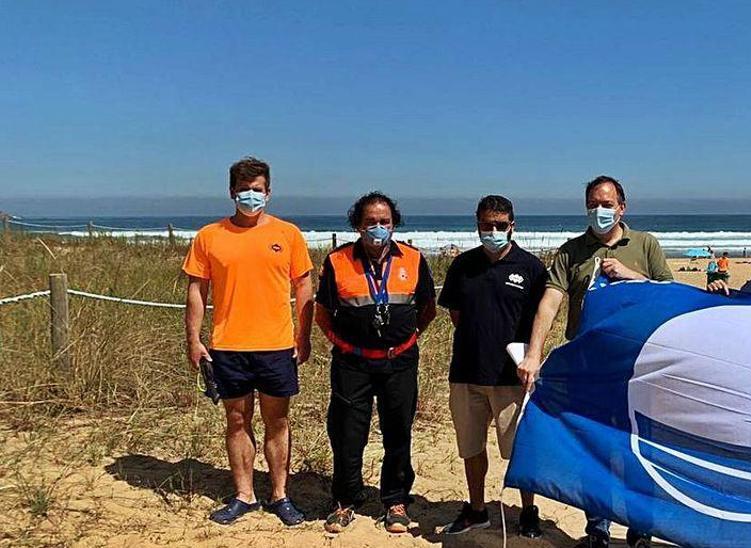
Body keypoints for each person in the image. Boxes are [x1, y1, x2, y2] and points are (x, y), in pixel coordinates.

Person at [516, 175, 673, 548]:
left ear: (622, 207)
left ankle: (640, 532)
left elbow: (669, 295)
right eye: (593, 203)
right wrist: (534, 354)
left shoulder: (646, 245)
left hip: (636, 366)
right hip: (588, 365)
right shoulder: (571, 251)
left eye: (607, 203)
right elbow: (550, 303)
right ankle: (597, 530)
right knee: (593, 448)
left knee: (637, 450)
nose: (599, 210)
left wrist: (632, 276)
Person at [183, 157, 313, 526]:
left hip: (276, 346)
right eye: (244, 190)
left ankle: (280, 495)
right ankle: (244, 494)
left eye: (257, 190)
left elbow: (303, 286)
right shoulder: (210, 236)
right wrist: (194, 339)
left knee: (277, 420)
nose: (250, 196)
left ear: (269, 193)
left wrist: (303, 337)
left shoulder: (288, 234)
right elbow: (197, 290)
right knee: (237, 420)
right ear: (231, 193)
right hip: (228, 345)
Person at [315, 192, 437, 534]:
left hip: (399, 362)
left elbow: (428, 307)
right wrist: (340, 343)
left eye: (384, 222)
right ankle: (345, 500)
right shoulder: (337, 261)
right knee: (347, 434)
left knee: (398, 432)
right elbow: (323, 313)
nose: (378, 228)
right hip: (351, 364)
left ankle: (395, 500)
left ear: (394, 224)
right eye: (371, 222)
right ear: (358, 225)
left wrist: (409, 337)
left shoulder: (413, 259)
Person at [438, 196, 547, 538]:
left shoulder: (531, 267)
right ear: (478, 225)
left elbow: (540, 320)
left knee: (519, 448)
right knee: (471, 446)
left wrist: (531, 359)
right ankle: (477, 509)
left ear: (512, 225)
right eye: (488, 225)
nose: (494, 231)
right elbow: (456, 315)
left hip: (511, 376)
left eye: (501, 226)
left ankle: (529, 510)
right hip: (467, 373)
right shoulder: (462, 266)